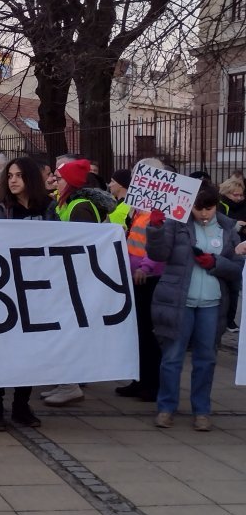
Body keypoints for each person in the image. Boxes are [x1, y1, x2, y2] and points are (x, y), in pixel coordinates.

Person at [148, 183, 242, 431]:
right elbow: (158, 254)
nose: (203, 214)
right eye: (198, 208)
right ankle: (166, 407)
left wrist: (215, 263)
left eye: (208, 208)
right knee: (172, 357)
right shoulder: (176, 224)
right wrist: (156, 227)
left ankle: (201, 410)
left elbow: (237, 268)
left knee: (206, 358)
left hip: (212, 304)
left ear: (216, 206)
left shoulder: (227, 229)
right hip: (181, 301)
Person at [0, 156, 53, 430]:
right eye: (10, 176)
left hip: (36, 291)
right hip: (3, 292)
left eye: (19, 175)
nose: (13, 180)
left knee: (28, 353)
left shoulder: (48, 210)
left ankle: (21, 405)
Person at [42, 157, 117, 407]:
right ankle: (64, 381)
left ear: (71, 182)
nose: (54, 180)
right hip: (69, 277)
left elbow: (78, 247)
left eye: (59, 177)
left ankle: (70, 385)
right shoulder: (70, 204)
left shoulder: (80, 207)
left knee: (68, 332)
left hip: (73, 279)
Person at [115, 160, 166, 403]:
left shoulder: (162, 207)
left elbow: (159, 244)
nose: (135, 180)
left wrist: (145, 266)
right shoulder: (141, 205)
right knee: (138, 331)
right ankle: (140, 380)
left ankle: (151, 384)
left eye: (139, 175)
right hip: (135, 274)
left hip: (149, 276)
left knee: (147, 332)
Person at [218, 176, 246, 332]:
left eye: (241, 195)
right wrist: (236, 225)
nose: (239, 198)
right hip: (227, 249)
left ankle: (231, 320)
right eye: (236, 194)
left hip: (242, 251)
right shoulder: (221, 206)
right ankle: (224, 320)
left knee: (235, 289)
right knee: (226, 289)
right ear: (227, 193)